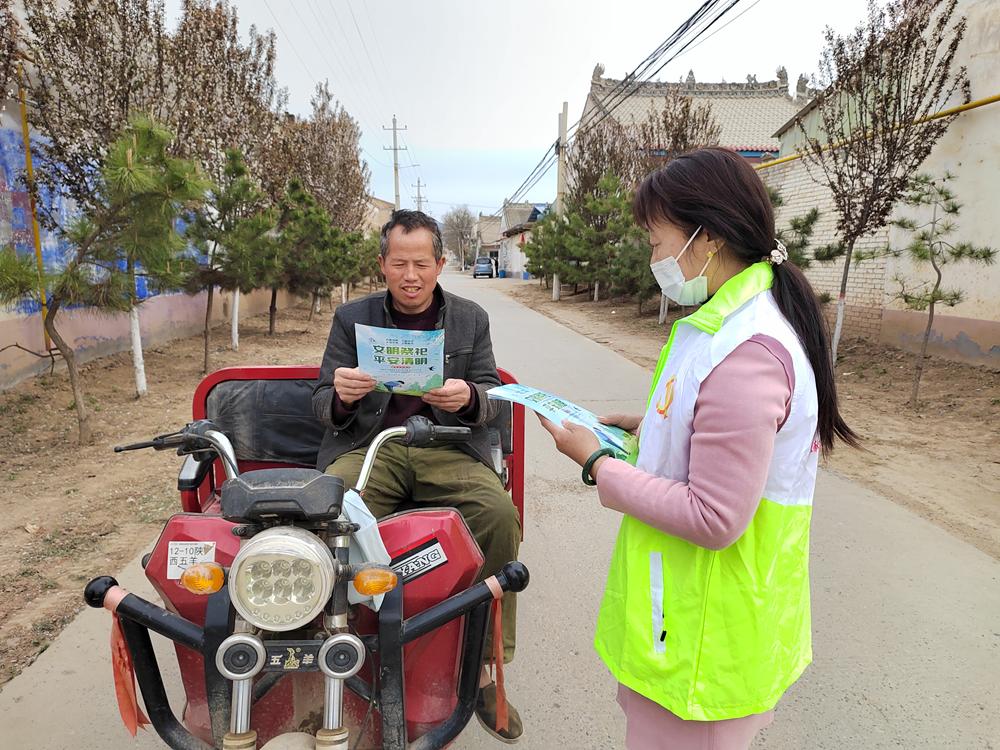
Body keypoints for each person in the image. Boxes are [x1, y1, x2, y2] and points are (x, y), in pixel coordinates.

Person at [539, 147, 859, 750]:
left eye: (656, 242)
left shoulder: (746, 351)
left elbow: (714, 516)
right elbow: (714, 428)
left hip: (706, 636)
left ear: (707, 238)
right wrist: (647, 429)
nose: (653, 259)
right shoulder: (728, 321)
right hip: (689, 622)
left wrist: (596, 463)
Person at [311, 209, 523, 741]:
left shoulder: (470, 318)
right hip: (372, 447)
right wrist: (341, 397)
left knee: (498, 514)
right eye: (399, 263)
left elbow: (493, 397)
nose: (411, 276)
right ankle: (329, 647)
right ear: (382, 264)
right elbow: (320, 403)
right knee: (327, 516)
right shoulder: (351, 319)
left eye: (421, 264)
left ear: (440, 265)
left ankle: (484, 665)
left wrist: (468, 397)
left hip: (445, 445)